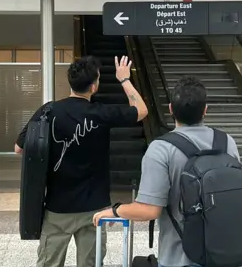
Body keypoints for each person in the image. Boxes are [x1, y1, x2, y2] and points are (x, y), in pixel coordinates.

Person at [93, 76, 242, 267]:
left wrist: (116, 210)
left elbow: (149, 209)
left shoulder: (161, 149)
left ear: (171, 109)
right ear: (205, 110)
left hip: (182, 258)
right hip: (229, 253)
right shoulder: (227, 142)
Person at [15, 55, 148, 267]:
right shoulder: (101, 113)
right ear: (94, 86)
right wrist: (124, 79)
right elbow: (142, 110)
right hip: (94, 209)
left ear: (70, 81)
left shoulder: (48, 111)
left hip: (57, 208)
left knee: (49, 263)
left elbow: (19, 148)